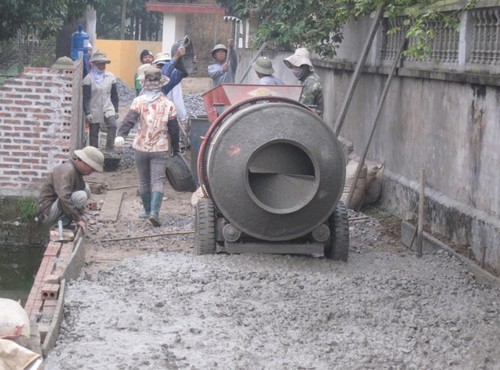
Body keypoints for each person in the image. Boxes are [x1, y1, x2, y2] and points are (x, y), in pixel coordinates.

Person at [114, 66, 180, 227]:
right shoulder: (168, 104)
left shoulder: (139, 101)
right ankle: (154, 213)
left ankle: (147, 209)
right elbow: (174, 129)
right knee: (157, 179)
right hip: (161, 147)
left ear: (144, 83)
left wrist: (120, 135)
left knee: (143, 180)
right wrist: (176, 148)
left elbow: (129, 120)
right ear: (160, 84)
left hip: (141, 146)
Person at [35, 146, 104, 232]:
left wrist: (80, 214)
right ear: (85, 162)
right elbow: (64, 198)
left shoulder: (76, 171)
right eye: (92, 168)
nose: (92, 172)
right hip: (46, 213)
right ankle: (61, 223)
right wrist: (78, 219)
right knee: (81, 196)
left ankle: (66, 219)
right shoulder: (66, 171)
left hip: (57, 207)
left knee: (86, 190)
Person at [83, 51, 119, 151]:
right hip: (94, 108)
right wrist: (87, 112)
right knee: (94, 132)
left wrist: (116, 110)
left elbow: (114, 95)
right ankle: (94, 153)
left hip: (108, 106)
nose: (102, 66)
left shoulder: (110, 77)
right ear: (94, 64)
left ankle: (109, 149)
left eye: (103, 63)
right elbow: (86, 97)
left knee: (113, 126)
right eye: (99, 64)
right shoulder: (88, 79)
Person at [284, 47, 324, 117]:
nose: (294, 70)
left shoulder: (311, 82)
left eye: (296, 67)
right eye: (293, 67)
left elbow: (303, 108)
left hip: (311, 121)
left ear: (305, 66)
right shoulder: (303, 79)